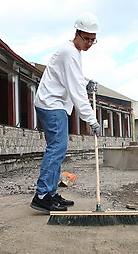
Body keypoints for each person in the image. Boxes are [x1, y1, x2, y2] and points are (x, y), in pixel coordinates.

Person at [30, 12, 101, 213]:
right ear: (76, 33)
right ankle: (42, 195)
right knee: (56, 148)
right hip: (52, 104)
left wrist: (87, 83)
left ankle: (51, 193)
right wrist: (91, 120)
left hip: (55, 103)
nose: (88, 43)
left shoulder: (73, 52)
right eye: (86, 38)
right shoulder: (69, 53)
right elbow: (76, 90)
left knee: (58, 149)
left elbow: (75, 80)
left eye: (92, 40)